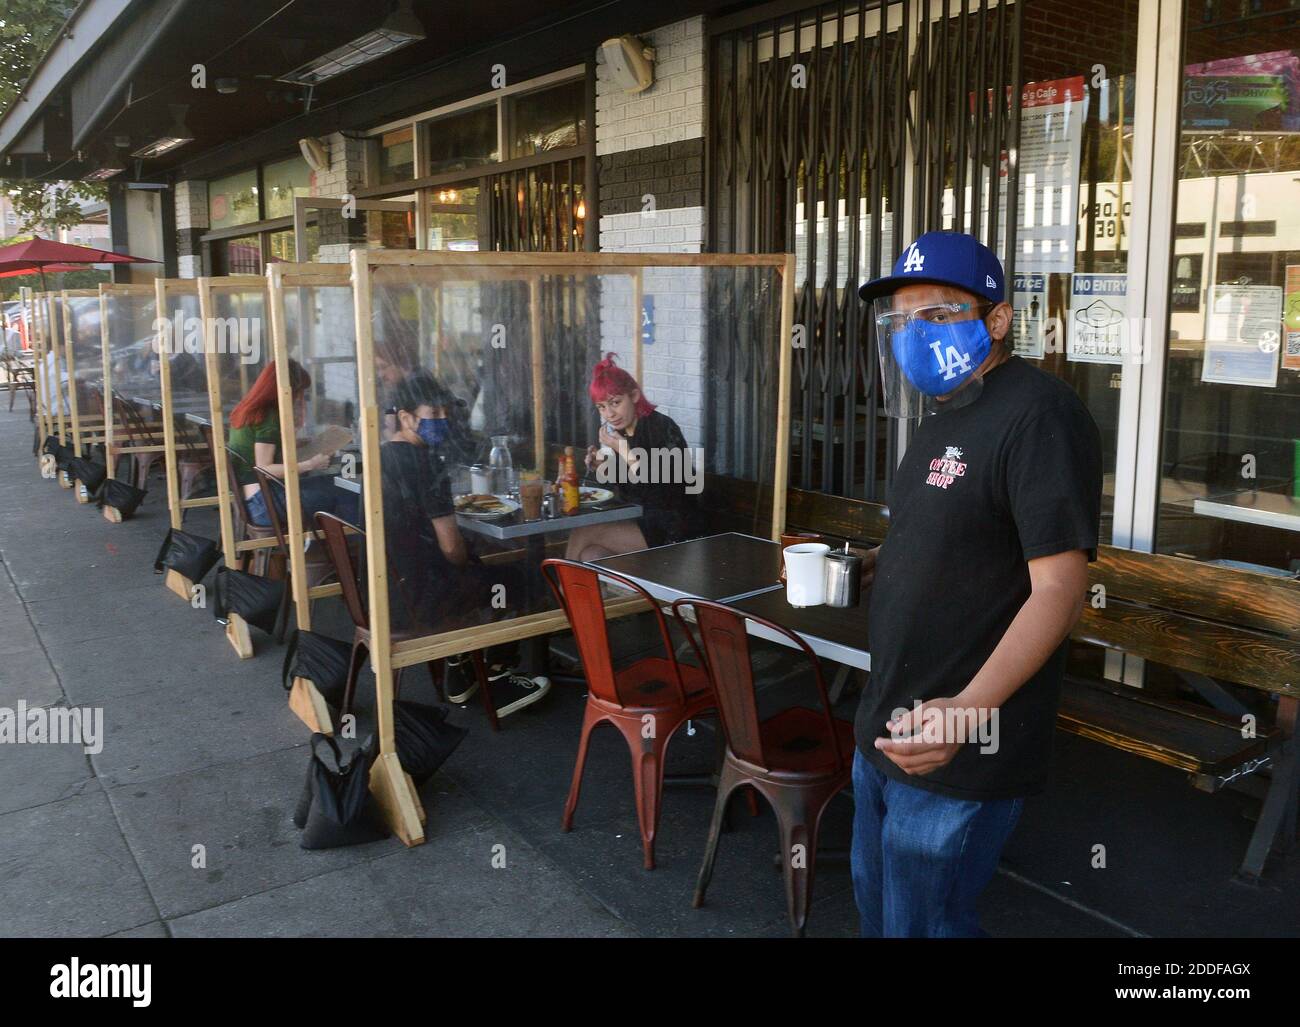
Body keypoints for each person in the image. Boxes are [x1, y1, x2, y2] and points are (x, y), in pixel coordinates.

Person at [851, 230, 1102, 938]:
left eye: (938, 314)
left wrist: (967, 709)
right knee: (878, 913)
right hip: (885, 724)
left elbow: (1059, 587)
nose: (914, 334)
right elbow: (945, 537)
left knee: (927, 923)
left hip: (962, 744)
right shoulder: (942, 415)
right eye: (902, 321)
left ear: (996, 319)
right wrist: (866, 563)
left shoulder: (1039, 415)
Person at [381, 370, 550, 718]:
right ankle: (499, 677)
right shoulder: (425, 464)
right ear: (406, 417)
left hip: (383, 593)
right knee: (523, 578)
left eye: (446, 413)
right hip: (420, 600)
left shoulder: (381, 457)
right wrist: (470, 563)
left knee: (484, 571)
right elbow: (451, 549)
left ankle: (461, 670)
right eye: (434, 414)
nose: (443, 421)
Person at [566, 353, 704, 562]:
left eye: (615, 402)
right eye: (602, 407)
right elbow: (632, 488)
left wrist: (624, 451)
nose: (609, 414)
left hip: (676, 529)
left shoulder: (662, 427)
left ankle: (557, 592)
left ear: (635, 396)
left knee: (584, 532)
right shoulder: (623, 434)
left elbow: (665, 488)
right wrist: (603, 466)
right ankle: (577, 594)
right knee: (591, 555)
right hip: (643, 523)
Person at [227, 359, 357, 528]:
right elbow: (264, 469)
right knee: (348, 491)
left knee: (333, 485)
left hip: (250, 500)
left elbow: (260, 451)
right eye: (298, 391)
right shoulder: (268, 417)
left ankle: (330, 547)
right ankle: (355, 549)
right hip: (264, 504)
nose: (298, 397)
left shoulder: (248, 409)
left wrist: (301, 444)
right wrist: (310, 464)